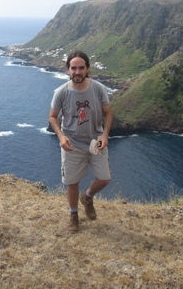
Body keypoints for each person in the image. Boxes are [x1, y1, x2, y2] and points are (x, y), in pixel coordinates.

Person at [49, 51, 113, 232]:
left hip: (95, 142)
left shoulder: (98, 88)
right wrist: (61, 137)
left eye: (81, 68)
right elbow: (53, 117)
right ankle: (73, 214)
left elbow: (108, 112)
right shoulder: (61, 92)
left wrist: (105, 135)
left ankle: (87, 196)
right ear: (68, 70)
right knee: (72, 181)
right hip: (72, 144)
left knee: (104, 178)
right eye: (73, 68)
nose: (77, 72)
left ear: (87, 69)